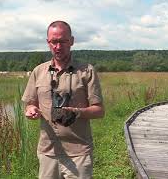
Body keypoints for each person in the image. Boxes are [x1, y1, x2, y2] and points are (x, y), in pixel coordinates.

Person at [21, 20, 105, 179]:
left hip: (78, 152)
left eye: (63, 41)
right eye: (54, 42)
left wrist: (77, 112)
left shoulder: (86, 71)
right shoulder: (39, 71)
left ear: (71, 41)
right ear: (48, 42)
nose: (58, 47)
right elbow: (30, 104)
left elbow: (99, 111)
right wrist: (31, 110)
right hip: (48, 151)